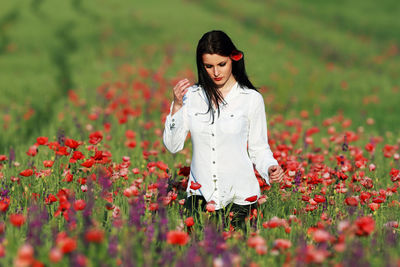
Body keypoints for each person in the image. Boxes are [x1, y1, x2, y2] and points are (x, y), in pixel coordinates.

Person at [162, 30, 284, 232]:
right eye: (209, 66)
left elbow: (258, 147)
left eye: (222, 64)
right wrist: (176, 106)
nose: (216, 72)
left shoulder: (251, 99)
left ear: (233, 59)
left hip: (241, 198)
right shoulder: (190, 96)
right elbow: (173, 146)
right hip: (200, 197)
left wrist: (270, 167)